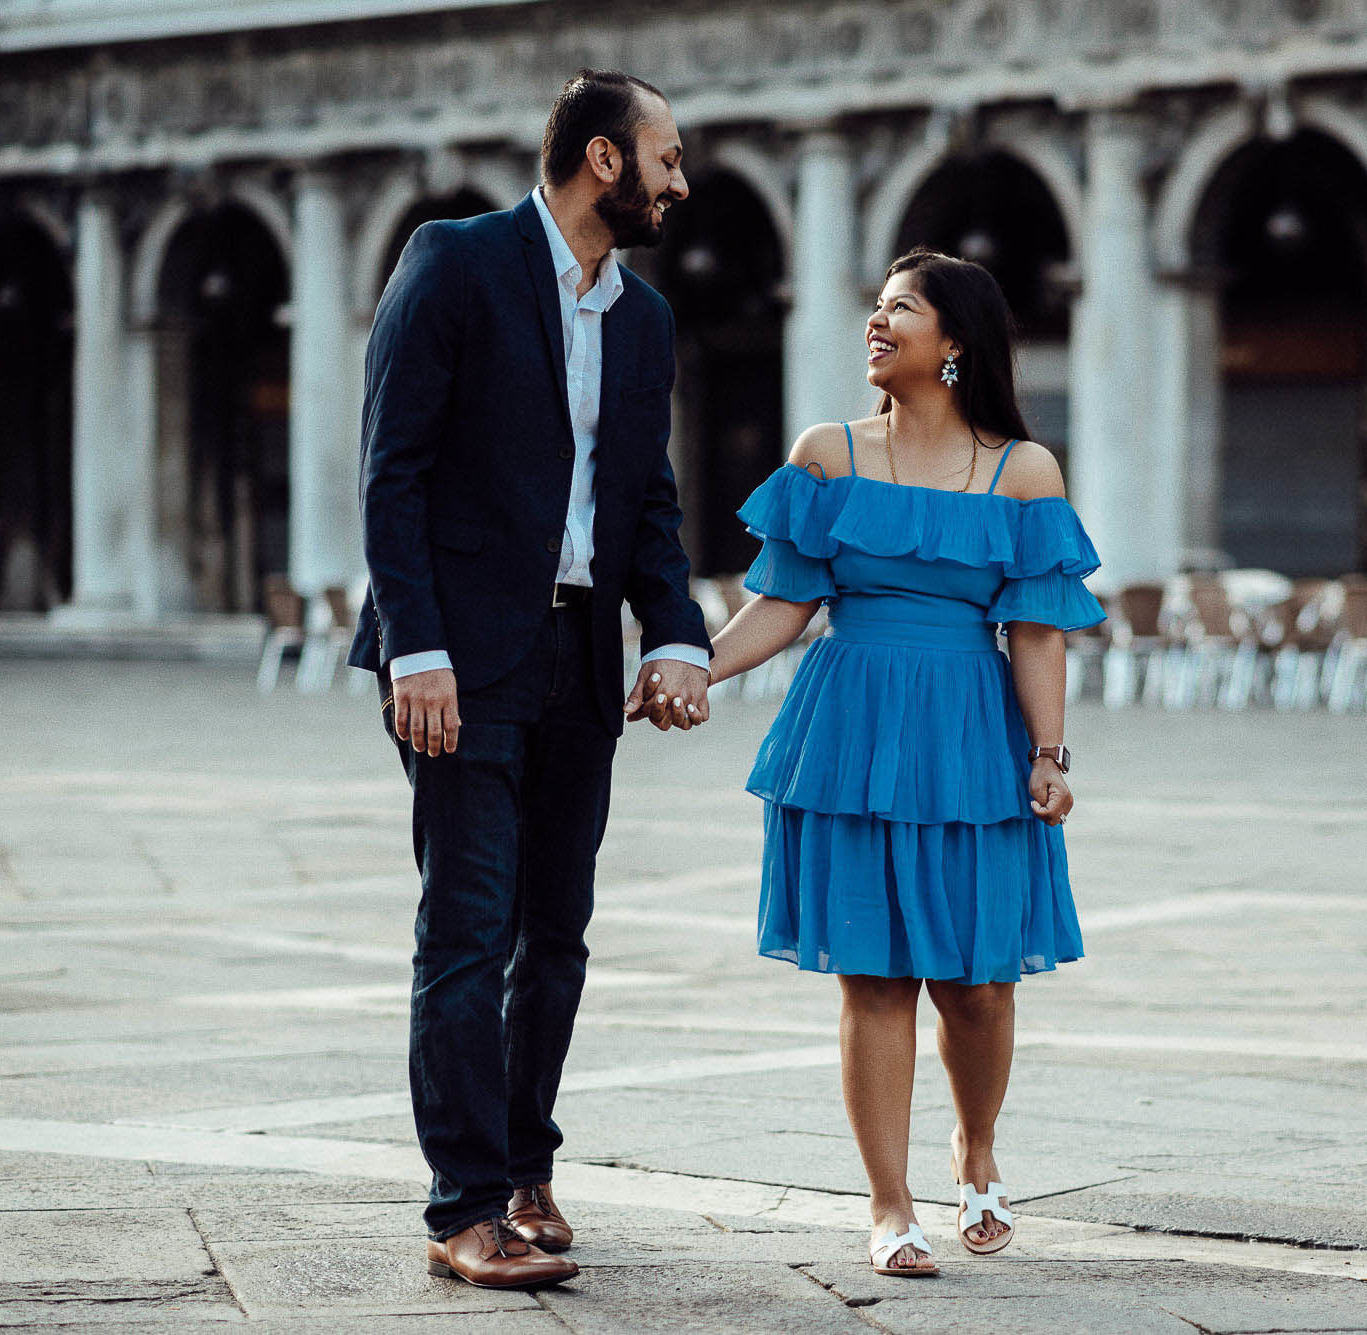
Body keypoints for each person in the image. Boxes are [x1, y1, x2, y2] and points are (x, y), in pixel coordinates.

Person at [350, 69, 715, 1290]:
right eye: (664, 158)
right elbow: (390, 472)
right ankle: (461, 1206)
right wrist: (417, 649)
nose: (678, 180)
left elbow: (647, 502)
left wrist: (672, 635)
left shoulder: (644, 320)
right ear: (604, 159)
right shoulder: (454, 261)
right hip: (454, 652)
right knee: (466, 926)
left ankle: (523, 1169)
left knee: (554, 933)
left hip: (576, 656)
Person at [707, 249, 1104, 1277]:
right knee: (873, 978)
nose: (875, 326)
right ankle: (889, 1207)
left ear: (955, 342)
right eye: (875, 311)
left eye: (900, 312)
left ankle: (975, 1151)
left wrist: (1050, 752)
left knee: (975, 983)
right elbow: (786, 602)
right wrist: (690, 669)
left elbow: (1040, 628)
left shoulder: (1023, 471)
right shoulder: (825, 453)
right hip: (846, 731)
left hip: (973, 731)